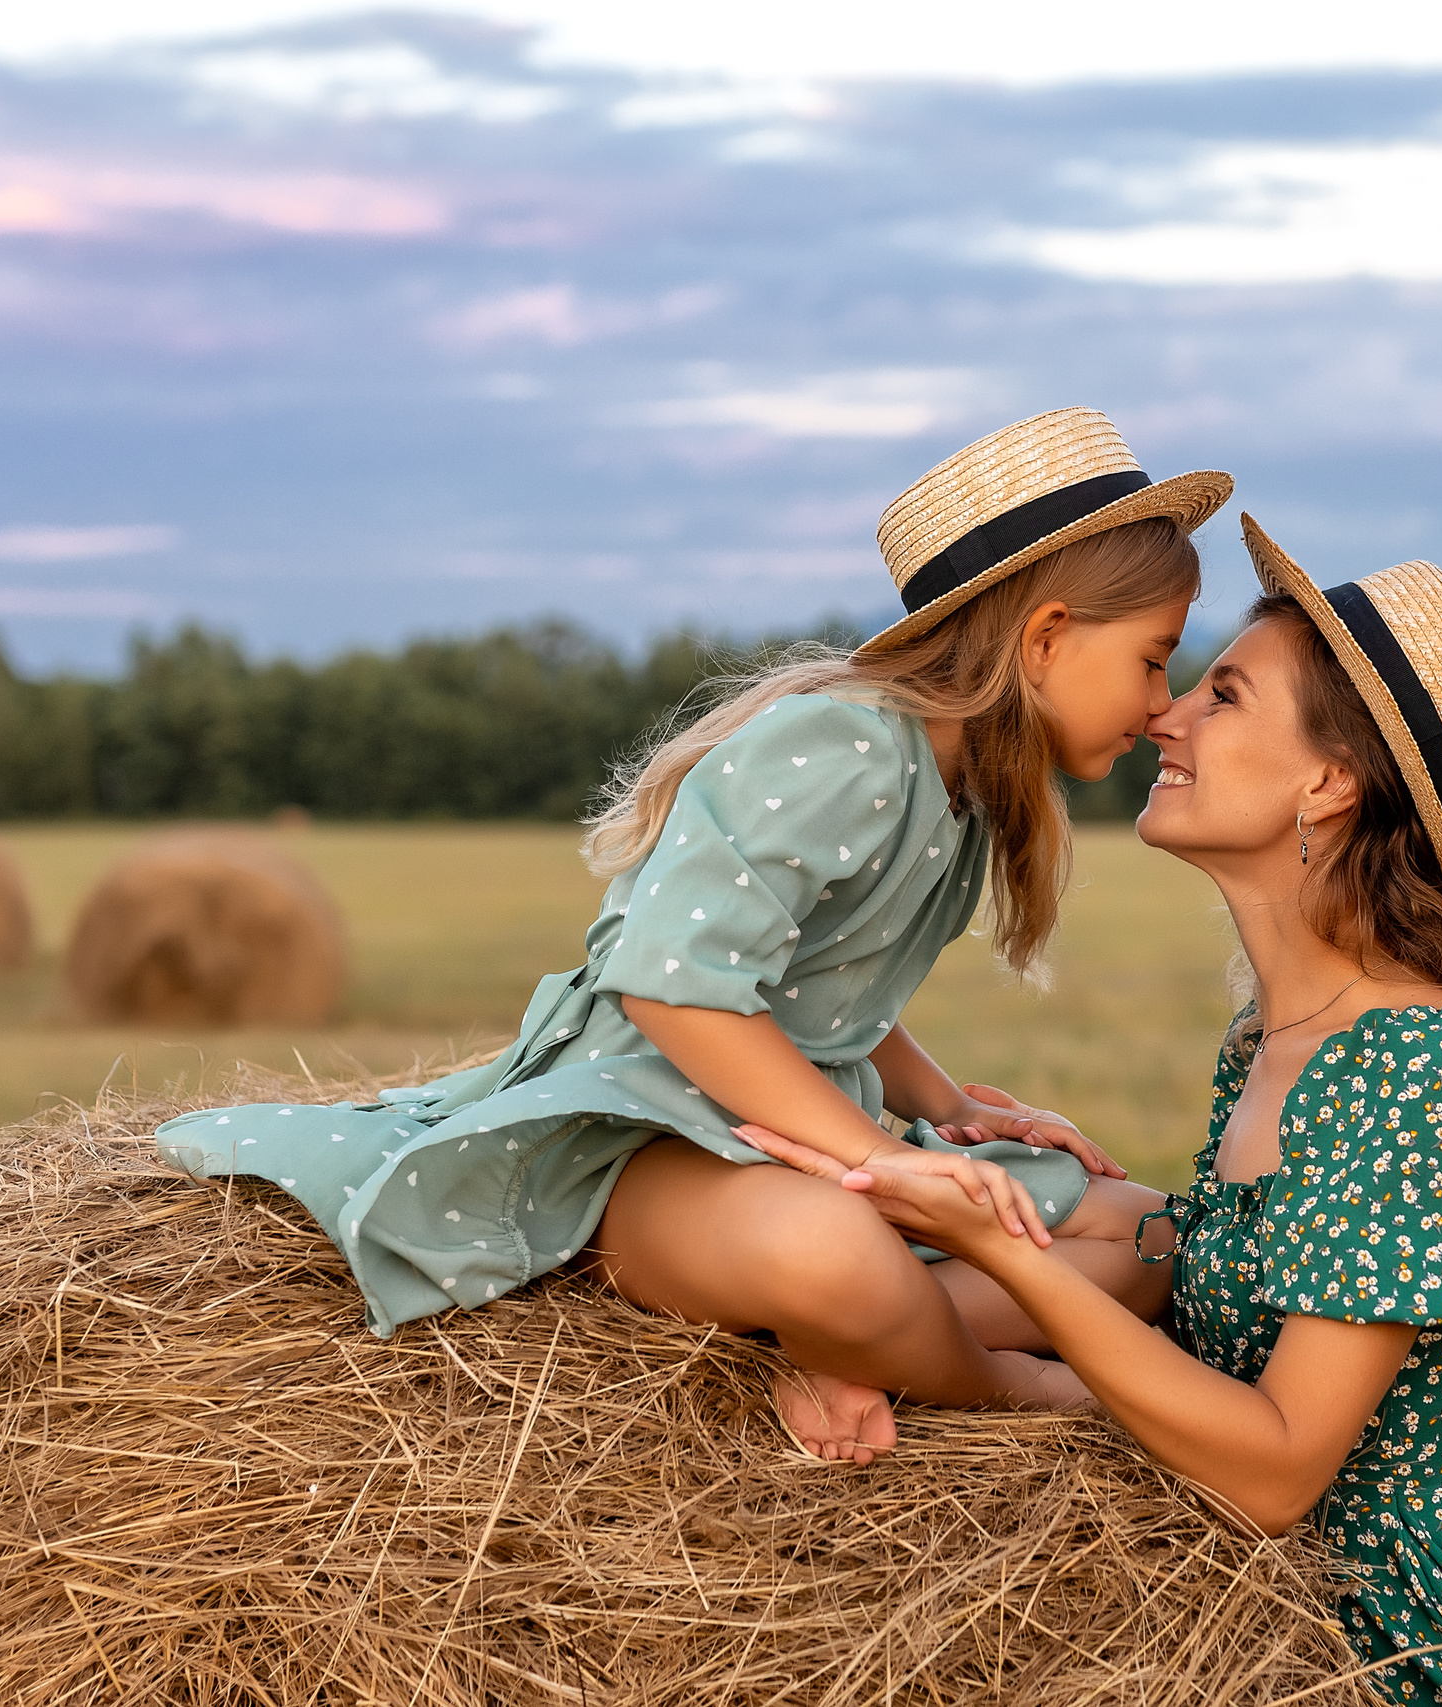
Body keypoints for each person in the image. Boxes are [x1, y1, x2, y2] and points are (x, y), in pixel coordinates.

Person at [158, 408, 1231, 1464]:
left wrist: (948, 1111)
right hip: (646, 1144)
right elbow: (672, 989)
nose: (1160, 702)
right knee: (833, 1255)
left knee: (1149, 1238)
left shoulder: (962, 795)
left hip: (787, 1144)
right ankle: (1006, 1383)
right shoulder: (849, 745)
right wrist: (877, 1160)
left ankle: (850, 1341)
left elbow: (827, 993)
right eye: (1154, 658)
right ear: (1045, 639)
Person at [744, 516, 1442, 1706]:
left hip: (1399, 1640)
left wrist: (999, 1251)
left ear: (1329, 782)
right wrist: (952, 1257)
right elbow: (1197, 1309)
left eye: (1224, 696)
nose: (1165, 715)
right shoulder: (1274, 1042)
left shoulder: (1424, 1066)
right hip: (1270, 1603)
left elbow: (1278, 1473)